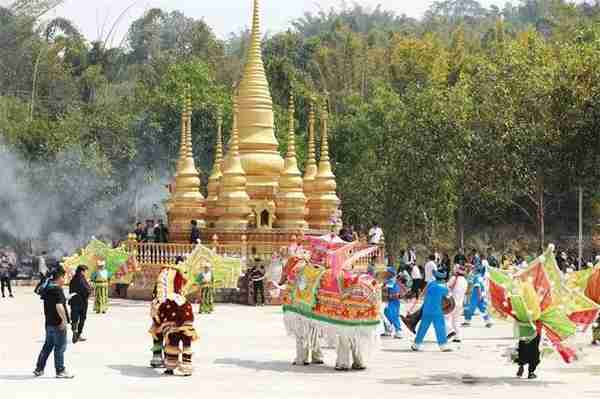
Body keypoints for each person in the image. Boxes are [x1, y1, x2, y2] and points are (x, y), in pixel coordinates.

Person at [154, 256, 198, 376]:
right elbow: (190, 283)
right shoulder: (183, 272)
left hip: (167, 301)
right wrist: (183, 292)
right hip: (182, 302)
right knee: (186, 337)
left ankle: (165, 362)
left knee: (165, 332)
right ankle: (187, 365)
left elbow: (158, 290)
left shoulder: (165, 272)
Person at [33, 267, 74, 378]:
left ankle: (39, 369)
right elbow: (59, 306)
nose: (64, 280)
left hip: (49, 323)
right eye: (63, 277)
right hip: (58, 323)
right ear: (59, 277)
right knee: (60, 347)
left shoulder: (48, 288)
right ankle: (60, 370)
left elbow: (52, 302)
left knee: (47, 346)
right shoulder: (57, 290)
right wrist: (64, 321)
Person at [412, 270, 452, 352]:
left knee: (423, 327)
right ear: (443, 278)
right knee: (440, 327)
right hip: (437, 311)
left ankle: (416, 345)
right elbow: (449, 297)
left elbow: (424, 293)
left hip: (426, 309)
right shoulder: (443, 287)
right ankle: (443, 345)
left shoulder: (431, 284)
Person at [462, 263, 492, 328]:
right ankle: (488, 322)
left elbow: (477, 286)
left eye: (473, 268)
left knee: (470, 308)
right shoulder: (479, 276)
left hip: (476, 295)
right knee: (482, 309)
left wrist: (479, 295)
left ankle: (467, 322)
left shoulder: (476, 277)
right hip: (479, 295)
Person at [445, 265, 468, 343]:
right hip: (460, 303)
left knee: (445, 317)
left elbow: (446, 287)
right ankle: (458, 337)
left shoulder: (454, 278)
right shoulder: (465, 281)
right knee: (456, 320)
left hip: (452, 302)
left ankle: (450, 331)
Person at [68, 265, 91, 343]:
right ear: (82, 271)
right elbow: (86, 290)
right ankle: (78, 334)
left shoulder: (73, 279)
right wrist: (90, 291)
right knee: (82, 318)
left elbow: (70, 290)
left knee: (74, 318)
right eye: (85, 271)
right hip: (82, 302)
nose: (86, 273)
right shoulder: (82, 279)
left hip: (74, 301)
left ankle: (74, 331)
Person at [383, 268, 404, 339]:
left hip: (393, 301)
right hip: (390, 301)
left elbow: (392, 292)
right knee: (386, 314)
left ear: (391, 273)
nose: (386, 273)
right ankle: (388, 330)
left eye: (387, 272)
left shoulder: (392, 281)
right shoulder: (389, 281)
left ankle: (399, 331)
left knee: (394, 315)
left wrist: (390, 295)